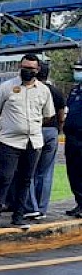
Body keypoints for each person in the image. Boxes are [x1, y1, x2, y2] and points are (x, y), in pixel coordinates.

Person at [0, 54, 55, 231]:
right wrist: (10, 124)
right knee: (4, 178)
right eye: (25, 67)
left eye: (31, 69)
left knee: (25, 179)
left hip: (33, 142)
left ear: (37, 70)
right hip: (9, 141)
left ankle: (18, 217)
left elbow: (48, 116)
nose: (27, 71)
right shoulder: (6, 87)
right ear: (19, 66)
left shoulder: (43, 91)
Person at [20, 63, 65, 220]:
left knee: (28, 170)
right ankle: (42, 208)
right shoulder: (56, 92)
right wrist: (57, 129)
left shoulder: (34, 90)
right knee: (45, 173)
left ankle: (30, 206)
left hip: (35, 130)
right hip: (52, 131)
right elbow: (61, 116)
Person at [63, 61, 82, 218]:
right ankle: (79, 203)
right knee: (73, 170)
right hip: (71, 137)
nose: (77, 73)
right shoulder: (75, 90)